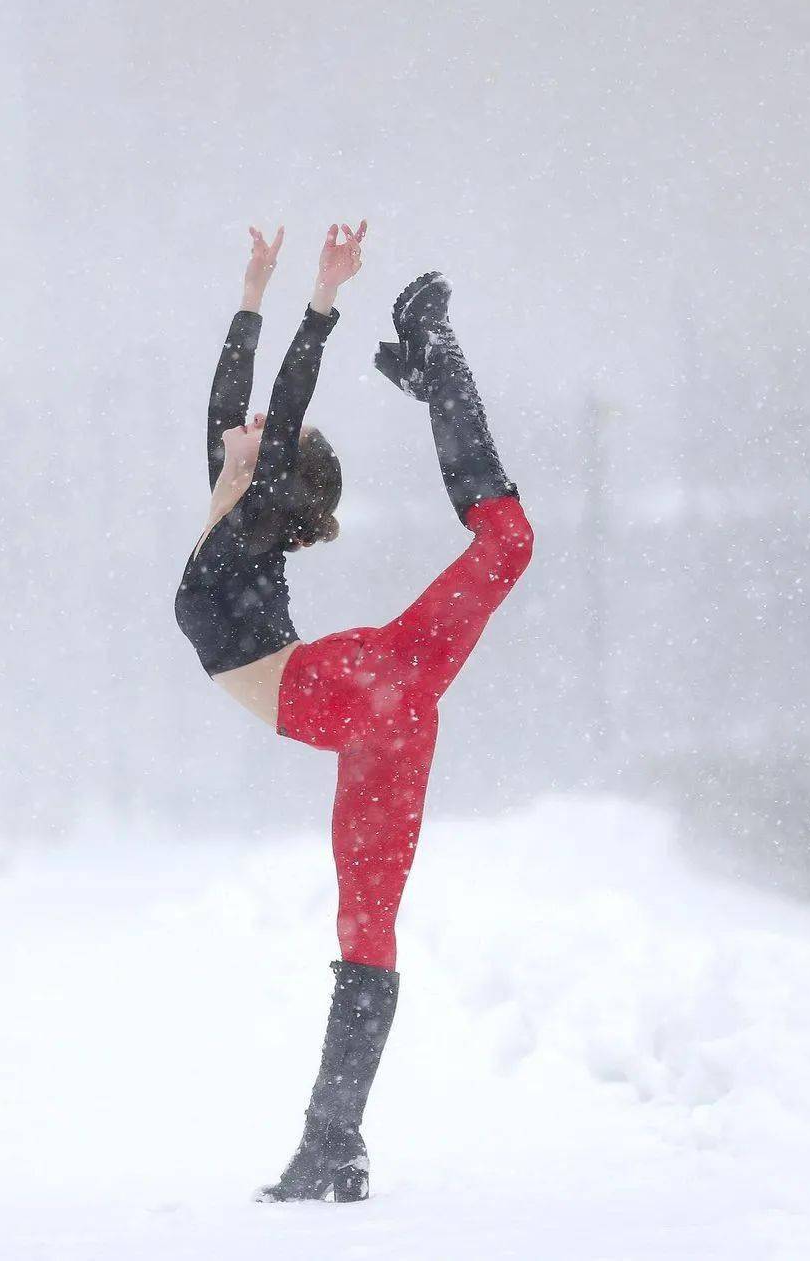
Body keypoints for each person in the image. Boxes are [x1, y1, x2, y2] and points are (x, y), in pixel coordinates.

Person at [174, 222, 534, 1203]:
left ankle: (434, 349)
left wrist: (322, 302)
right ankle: (332, 1145)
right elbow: (229, 400)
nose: (250, 423)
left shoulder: (249, 519)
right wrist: (252, 289)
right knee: (366, 922)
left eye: (268, 437)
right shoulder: (230, 498)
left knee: (509, 545)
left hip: (357, 691)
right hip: (367, 708)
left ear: (275, 474)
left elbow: (279, 404)